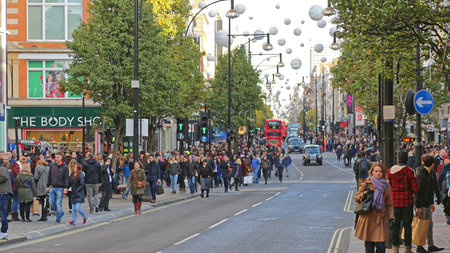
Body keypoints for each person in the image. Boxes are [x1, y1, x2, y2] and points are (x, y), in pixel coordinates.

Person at [354, 163, 394, 253]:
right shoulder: (366, 184)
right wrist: (364, 194)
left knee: (381, 246)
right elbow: (356, 198)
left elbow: (390, 204)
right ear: (372, 172)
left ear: (383, 173)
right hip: (368, 218)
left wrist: (391, 217)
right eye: (376, 171)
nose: (378, 173)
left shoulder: (387, 186)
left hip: (380, 219)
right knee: (369, 247)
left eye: (380, 171)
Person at [388, 150, 419, 253]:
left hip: (395, 202)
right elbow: (416, 189)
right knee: (407, 226)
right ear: (406, 160)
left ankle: (395, 248)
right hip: (407, 202)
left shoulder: (390, 171)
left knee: (395, 226)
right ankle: (407, 248)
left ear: (397, 159)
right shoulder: (410, 171)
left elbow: (389, 186)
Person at [414, 154, 444, 253]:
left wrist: (433, 202)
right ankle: (419, 246)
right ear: (432, 164)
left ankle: (430, 245)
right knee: (422, 225)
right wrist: (417, 206)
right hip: (422, 203)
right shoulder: (421, 174)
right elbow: (417, 192)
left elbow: (434, 187)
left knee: (429, 224)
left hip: (427, 202)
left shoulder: (431, 173)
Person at [47, 153, 69, 223]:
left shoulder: (65, 167)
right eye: (55, 157)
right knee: (51, 202)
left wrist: (66, 187)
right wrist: (47, 185)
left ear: (61, 158)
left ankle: (58, 219)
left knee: (58, 203)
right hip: (53, 187)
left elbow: (66, 178)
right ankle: (60, 212)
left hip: (60, 187)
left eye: (57, 157)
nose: (56, 159)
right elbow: (49, 176)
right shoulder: (52, 165)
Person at [0, 161, 13, 239]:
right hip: (3, 193)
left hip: (4, 193)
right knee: (2, 212)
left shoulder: (2, 168)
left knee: (3, 212)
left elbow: (4, 177)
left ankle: (4, 231)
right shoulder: (4, 169)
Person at [437, 156, 450, 225]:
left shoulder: (444, 168)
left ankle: (448, 218)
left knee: (447, 203)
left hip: (446, 189)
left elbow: (439, 179)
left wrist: (440, 189)